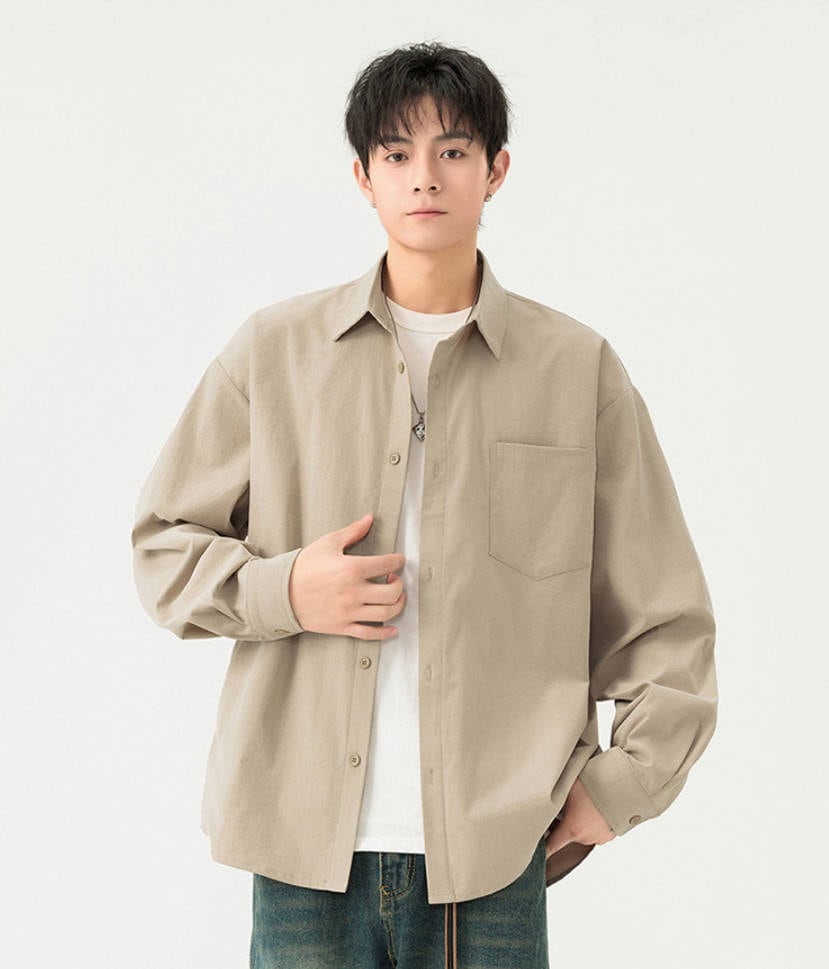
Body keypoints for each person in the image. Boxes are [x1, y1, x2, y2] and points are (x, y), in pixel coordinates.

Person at [131, 40, 718, 969]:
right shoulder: (274, 352)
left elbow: (665, 615)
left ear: (496, 170)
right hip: (300, 844)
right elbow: (163, 547)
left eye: (452, 150)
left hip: (492, 849)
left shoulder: (576, 371)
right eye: (397, 154)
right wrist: (288, 590)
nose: (425, 177)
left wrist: (625, 783)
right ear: (362, 178)